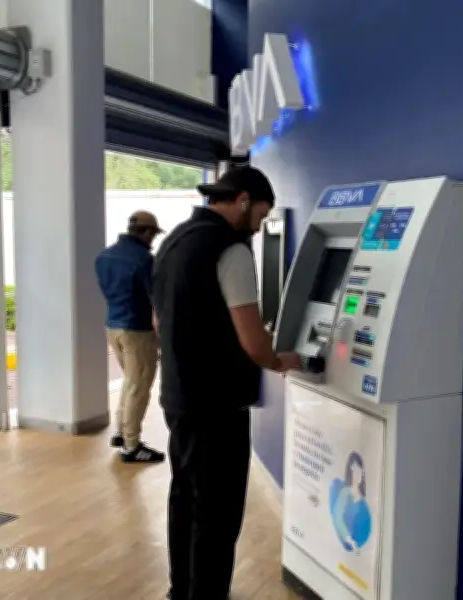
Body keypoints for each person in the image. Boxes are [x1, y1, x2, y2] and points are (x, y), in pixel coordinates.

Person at [152, 166, 302, 600]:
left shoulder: (174, 241)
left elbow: (158, 320)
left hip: (179, 394)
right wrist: (282, 360)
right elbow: (253, 341)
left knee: (185, 496)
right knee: (218, 510)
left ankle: (182, 589)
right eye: (261, 214)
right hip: (217, 404)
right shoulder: (231, 250)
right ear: (242, 200)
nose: (259, 225)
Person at [95, 210, 166, 463]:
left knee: (131, 381)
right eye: (152, 234)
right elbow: (156, 300)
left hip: (113, 325)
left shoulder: (104, 256)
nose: (153, 239)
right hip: (138, 330)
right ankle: (132, 445)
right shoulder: (145, 260)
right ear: (145, 232)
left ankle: (121, 432)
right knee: (139, 386)